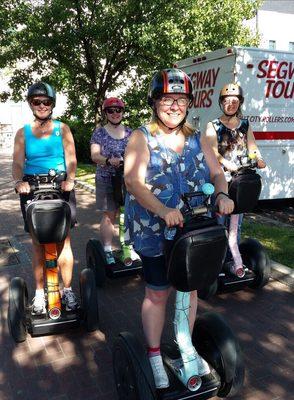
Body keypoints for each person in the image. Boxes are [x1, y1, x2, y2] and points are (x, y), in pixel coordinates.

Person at [123, 68, 234, 389]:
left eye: (181, 99)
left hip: (193, 228)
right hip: (154, 229)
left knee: (189, 288)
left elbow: (217, 173)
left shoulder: (198, 137)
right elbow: (133, 181)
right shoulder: (141, 137)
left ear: (189, 103)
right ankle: (155, 353)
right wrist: (162, 209)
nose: (174, 106)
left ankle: (184, 342)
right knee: (158, 293)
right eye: (167, 99)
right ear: (155, 102)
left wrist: (223, 193)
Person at [12, 82, 78, 315]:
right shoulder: (23, 132)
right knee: (38, 242)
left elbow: (71, 158)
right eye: (36, 102)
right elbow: (18, 162)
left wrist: (70, 179)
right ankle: (40, 294)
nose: (41, 105)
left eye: (46, 102)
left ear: (52, 104)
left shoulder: (63, 129)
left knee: (64, 241)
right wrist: (19, 181)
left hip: (60, 184)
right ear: (30, 104)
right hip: (32, 186)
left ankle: (67, 290)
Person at [202, 83, 266, 277]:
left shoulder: (245, 124)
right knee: (220, 219)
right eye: (227, 101)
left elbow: (252, 147)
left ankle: (233, 259)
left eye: (234, 101)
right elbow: (211, 152)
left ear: (239, 103)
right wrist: (225, 163)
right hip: (221, 180)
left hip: (240, 181)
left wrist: (258, 158)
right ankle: (217, 260)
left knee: (236, 222)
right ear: (222, 103)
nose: (231, 104)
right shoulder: (213, 125)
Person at [90, 97, 137, 266]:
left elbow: (139, 153)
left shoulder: (131, 133)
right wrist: (109, 160)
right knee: (110, 215)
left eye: (119, 110)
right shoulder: (99, 133)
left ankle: (129, 248)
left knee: (130, 214)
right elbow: (95, 156)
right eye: (111, 110)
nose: (115, 113)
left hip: (128, 179)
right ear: (106, 113)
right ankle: (108, 250)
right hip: (106, 179)